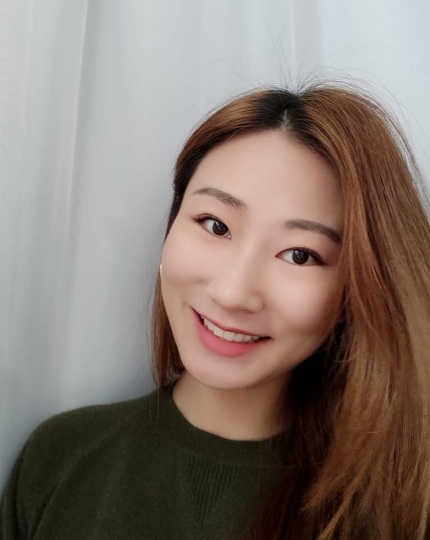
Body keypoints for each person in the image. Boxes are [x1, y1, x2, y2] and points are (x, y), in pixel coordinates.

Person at [1, 83, 430, 540]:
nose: (231, 292)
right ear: (171, 225)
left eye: (300, 254)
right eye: (216, 225)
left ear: (355, 290)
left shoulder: (400, 506)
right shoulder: (60, 460)